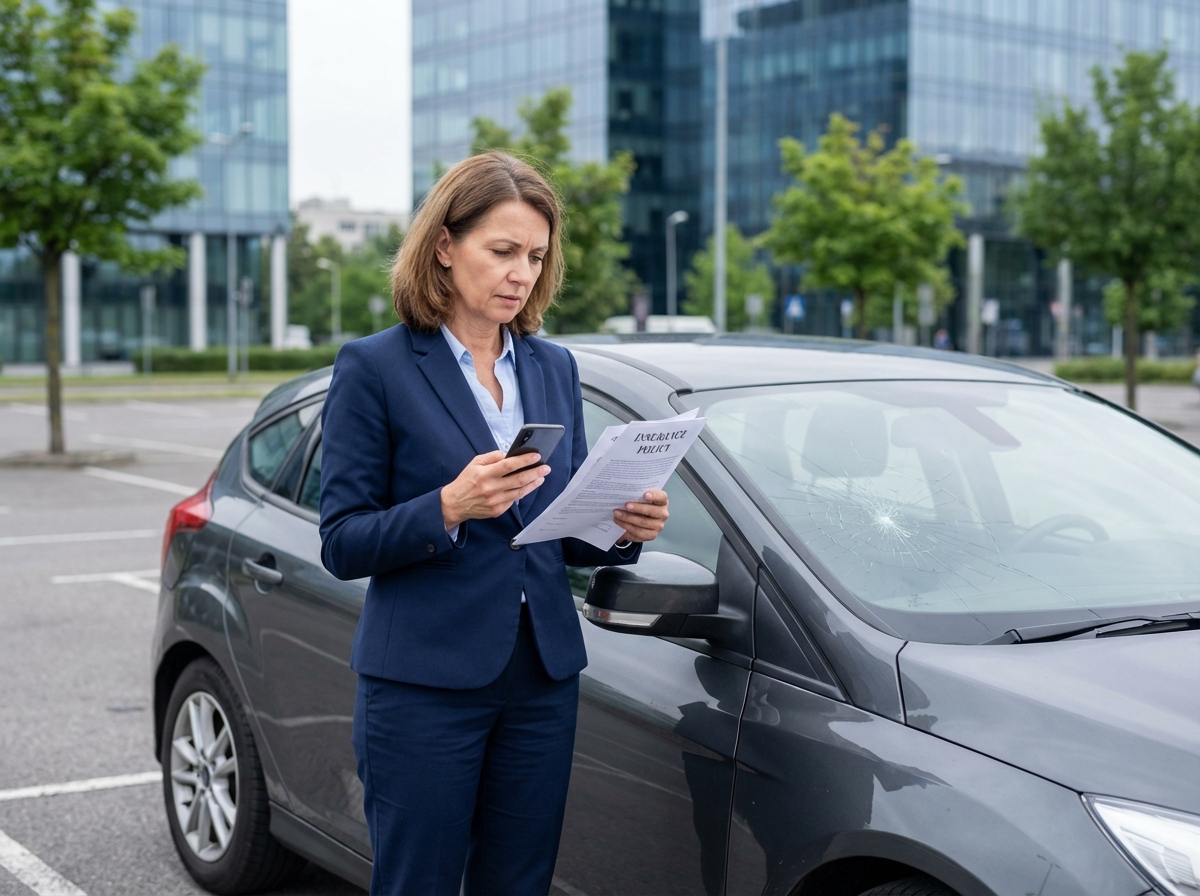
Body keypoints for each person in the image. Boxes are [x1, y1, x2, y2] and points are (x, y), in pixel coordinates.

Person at [318, 151, 669, 896]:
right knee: (419, 882)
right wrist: (448, 505)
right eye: (503, 251)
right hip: (423, 683)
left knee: (520, 882)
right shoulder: (374, 368)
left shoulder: (553, 367)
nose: (522, 274)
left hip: (540, 677)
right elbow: (342, 540)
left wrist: (624, 523)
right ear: (445, 247)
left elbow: (557, 530)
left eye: (536, 257)